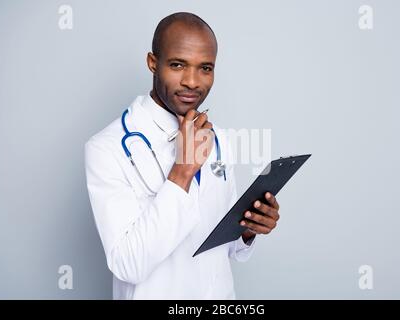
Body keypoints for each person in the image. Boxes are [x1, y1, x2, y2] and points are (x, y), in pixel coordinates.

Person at [85, 12, 280, 300]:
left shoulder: (217, 137)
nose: (192, 81)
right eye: (178, 65)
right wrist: (182, 171)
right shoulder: (107, 148)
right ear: (153, 63)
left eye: (205, 68)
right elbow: (128, 265)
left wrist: (249, 229)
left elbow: (224, 247)